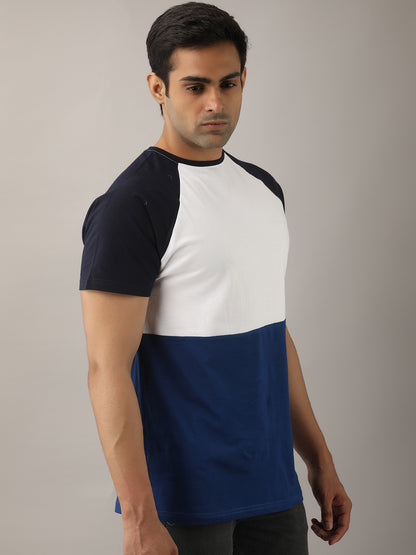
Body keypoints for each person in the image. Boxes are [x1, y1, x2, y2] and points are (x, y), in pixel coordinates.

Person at [79, 2, 352, 554]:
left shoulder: (263, 190)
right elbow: (107, 368)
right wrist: (139, 519)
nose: (215, 103)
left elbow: (273, 336)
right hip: (183, 498)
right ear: (158, 88)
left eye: (228, 83)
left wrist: (319, 460)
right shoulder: (132, 205)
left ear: (244, 79)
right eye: (195, 86)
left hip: (271, 485)